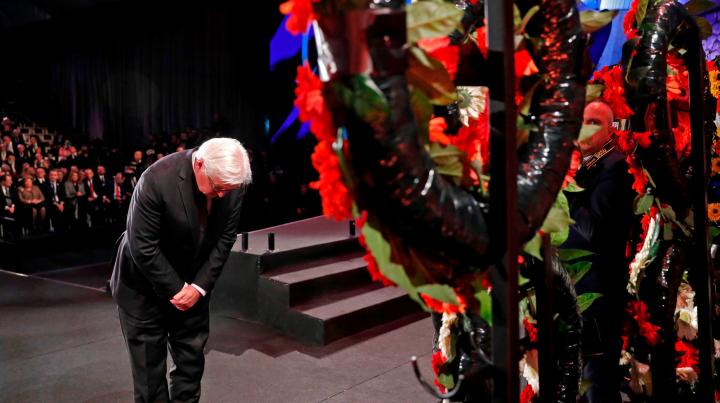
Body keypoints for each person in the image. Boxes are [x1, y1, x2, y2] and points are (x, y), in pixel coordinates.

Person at [109, 137, 252, 402]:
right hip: (142, 285)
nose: (223, 195)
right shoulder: (156, 179)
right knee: (150, 378)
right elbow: (143, 246)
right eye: (218, 187)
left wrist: (198, 287)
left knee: (191, 367)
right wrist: (176, 289)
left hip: (194, 285)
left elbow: (225, 238)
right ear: (199, 165)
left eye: (228, 189)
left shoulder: (231, 181)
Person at [561, 101, 635, 403]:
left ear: (610, 130)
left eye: (595, 122)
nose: (585, 129)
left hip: (598, 292)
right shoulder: (586, 163)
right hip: (573, 288)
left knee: (597, 383)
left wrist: (566, 189)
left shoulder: (614, 166)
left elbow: (593, 232)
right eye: (582, 121)